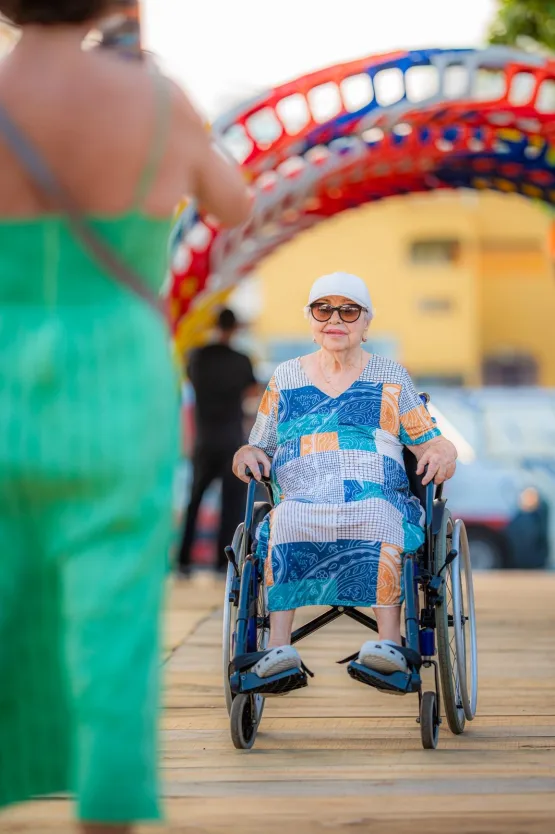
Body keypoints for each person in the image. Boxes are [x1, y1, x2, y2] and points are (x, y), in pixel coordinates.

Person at [0, 3, 251, 833]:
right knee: (113, 617)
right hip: (115, 378)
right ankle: (104, 813)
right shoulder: (156, 101)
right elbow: (234, 203)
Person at [233, 272, 457, 682]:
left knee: (377, 516)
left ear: (366, 323)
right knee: (285, 520)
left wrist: (443, 449)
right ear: (311, 319)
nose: (335, 318)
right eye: (323, 308)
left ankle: (389, 646)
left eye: (349, 310)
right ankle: (278, 649)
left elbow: (428, 441)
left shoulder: (391, 375)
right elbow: (259, 445)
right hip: (303, 495)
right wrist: (246, 452)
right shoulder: (285, 377)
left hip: (377, 495)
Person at [177, 307, 258, 577]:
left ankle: (183, 561)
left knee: (194, 500)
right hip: (232, 440)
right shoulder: (241, 360)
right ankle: (223, 563)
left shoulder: (197, 357)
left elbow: (188, 380)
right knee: (231, 503)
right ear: (235, 328)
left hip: (203, 439)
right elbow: (252, 393)